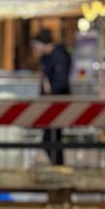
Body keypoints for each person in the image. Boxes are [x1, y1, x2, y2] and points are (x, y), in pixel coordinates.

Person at [35, 28, 71, 165]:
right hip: (49, 104)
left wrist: (50, 92)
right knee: (50, 139)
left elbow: (60, 82)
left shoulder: (60, 56)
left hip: (57, 103)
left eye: (37, 45)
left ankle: (59, 166)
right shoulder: (46, 58)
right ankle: (58, 166)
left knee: (52, 139)